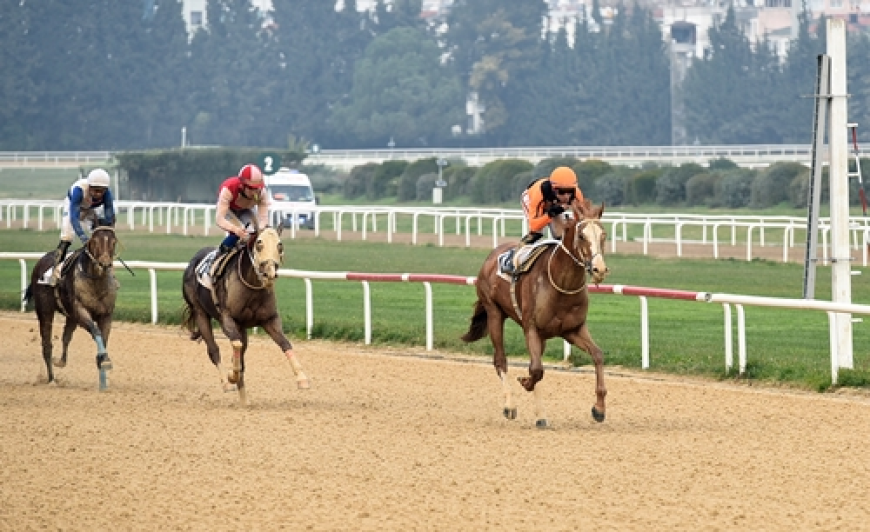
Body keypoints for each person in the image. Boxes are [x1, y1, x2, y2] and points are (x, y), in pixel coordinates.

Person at [501, 166, 584, 275]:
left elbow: (580, 222)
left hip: (553, 205)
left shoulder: (577, 196)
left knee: (561, 235)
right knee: (537, 233)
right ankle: (512, 258)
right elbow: (534, 225)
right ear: (554, 189)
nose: (566, 196)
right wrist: (551, 213)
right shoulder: (539, 193)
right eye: (562, 192)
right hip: (532, 199)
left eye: (570, 192)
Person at [49, 168, 116, 286]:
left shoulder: (107, 194)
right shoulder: (78, 190)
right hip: (73, 207)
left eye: (102, 191)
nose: (99, 194)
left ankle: (108, 271)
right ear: (89, 187)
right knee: (67, 237)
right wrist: (83, 237)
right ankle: (55, 272)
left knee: (102, 237)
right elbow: (74, 218)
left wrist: (108, 230)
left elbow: (109, 214)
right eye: (96, 190)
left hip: (90, 209)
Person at [214, 163, 271, 255]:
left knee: (254, 232)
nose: (255, 193)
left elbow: (263, 219)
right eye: (251, 189)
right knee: (241, 233)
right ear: (242, 185)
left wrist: (261, 230)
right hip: (229, 210)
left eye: (257, 188)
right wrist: (235, 230)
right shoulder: (228, 189)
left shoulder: (262, 193)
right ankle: (219, 254)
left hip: (245, 210)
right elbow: (219, 219)